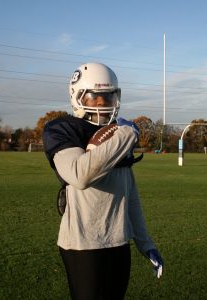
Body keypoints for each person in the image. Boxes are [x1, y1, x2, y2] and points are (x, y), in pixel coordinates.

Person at [42, 62, 164, 300]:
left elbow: (131, 197)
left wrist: (145, 243)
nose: (102, 103)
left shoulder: (117, 132)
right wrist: (126, 136)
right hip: (82, 245)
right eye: (95, 96)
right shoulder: (64, 129)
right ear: (78, 96)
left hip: (119, 242)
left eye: (108, 96)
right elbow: (80, 176)